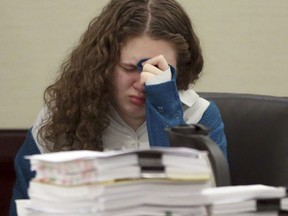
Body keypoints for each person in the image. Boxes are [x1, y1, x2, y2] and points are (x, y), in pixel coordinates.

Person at [10, 0, 227, 215]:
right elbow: (24, 204)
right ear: (103, 66)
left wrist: (165, 109)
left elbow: (203, 207)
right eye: (129, 68)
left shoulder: (200, 117)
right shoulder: (62, 115)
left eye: (160, 71)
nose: (143, 82)